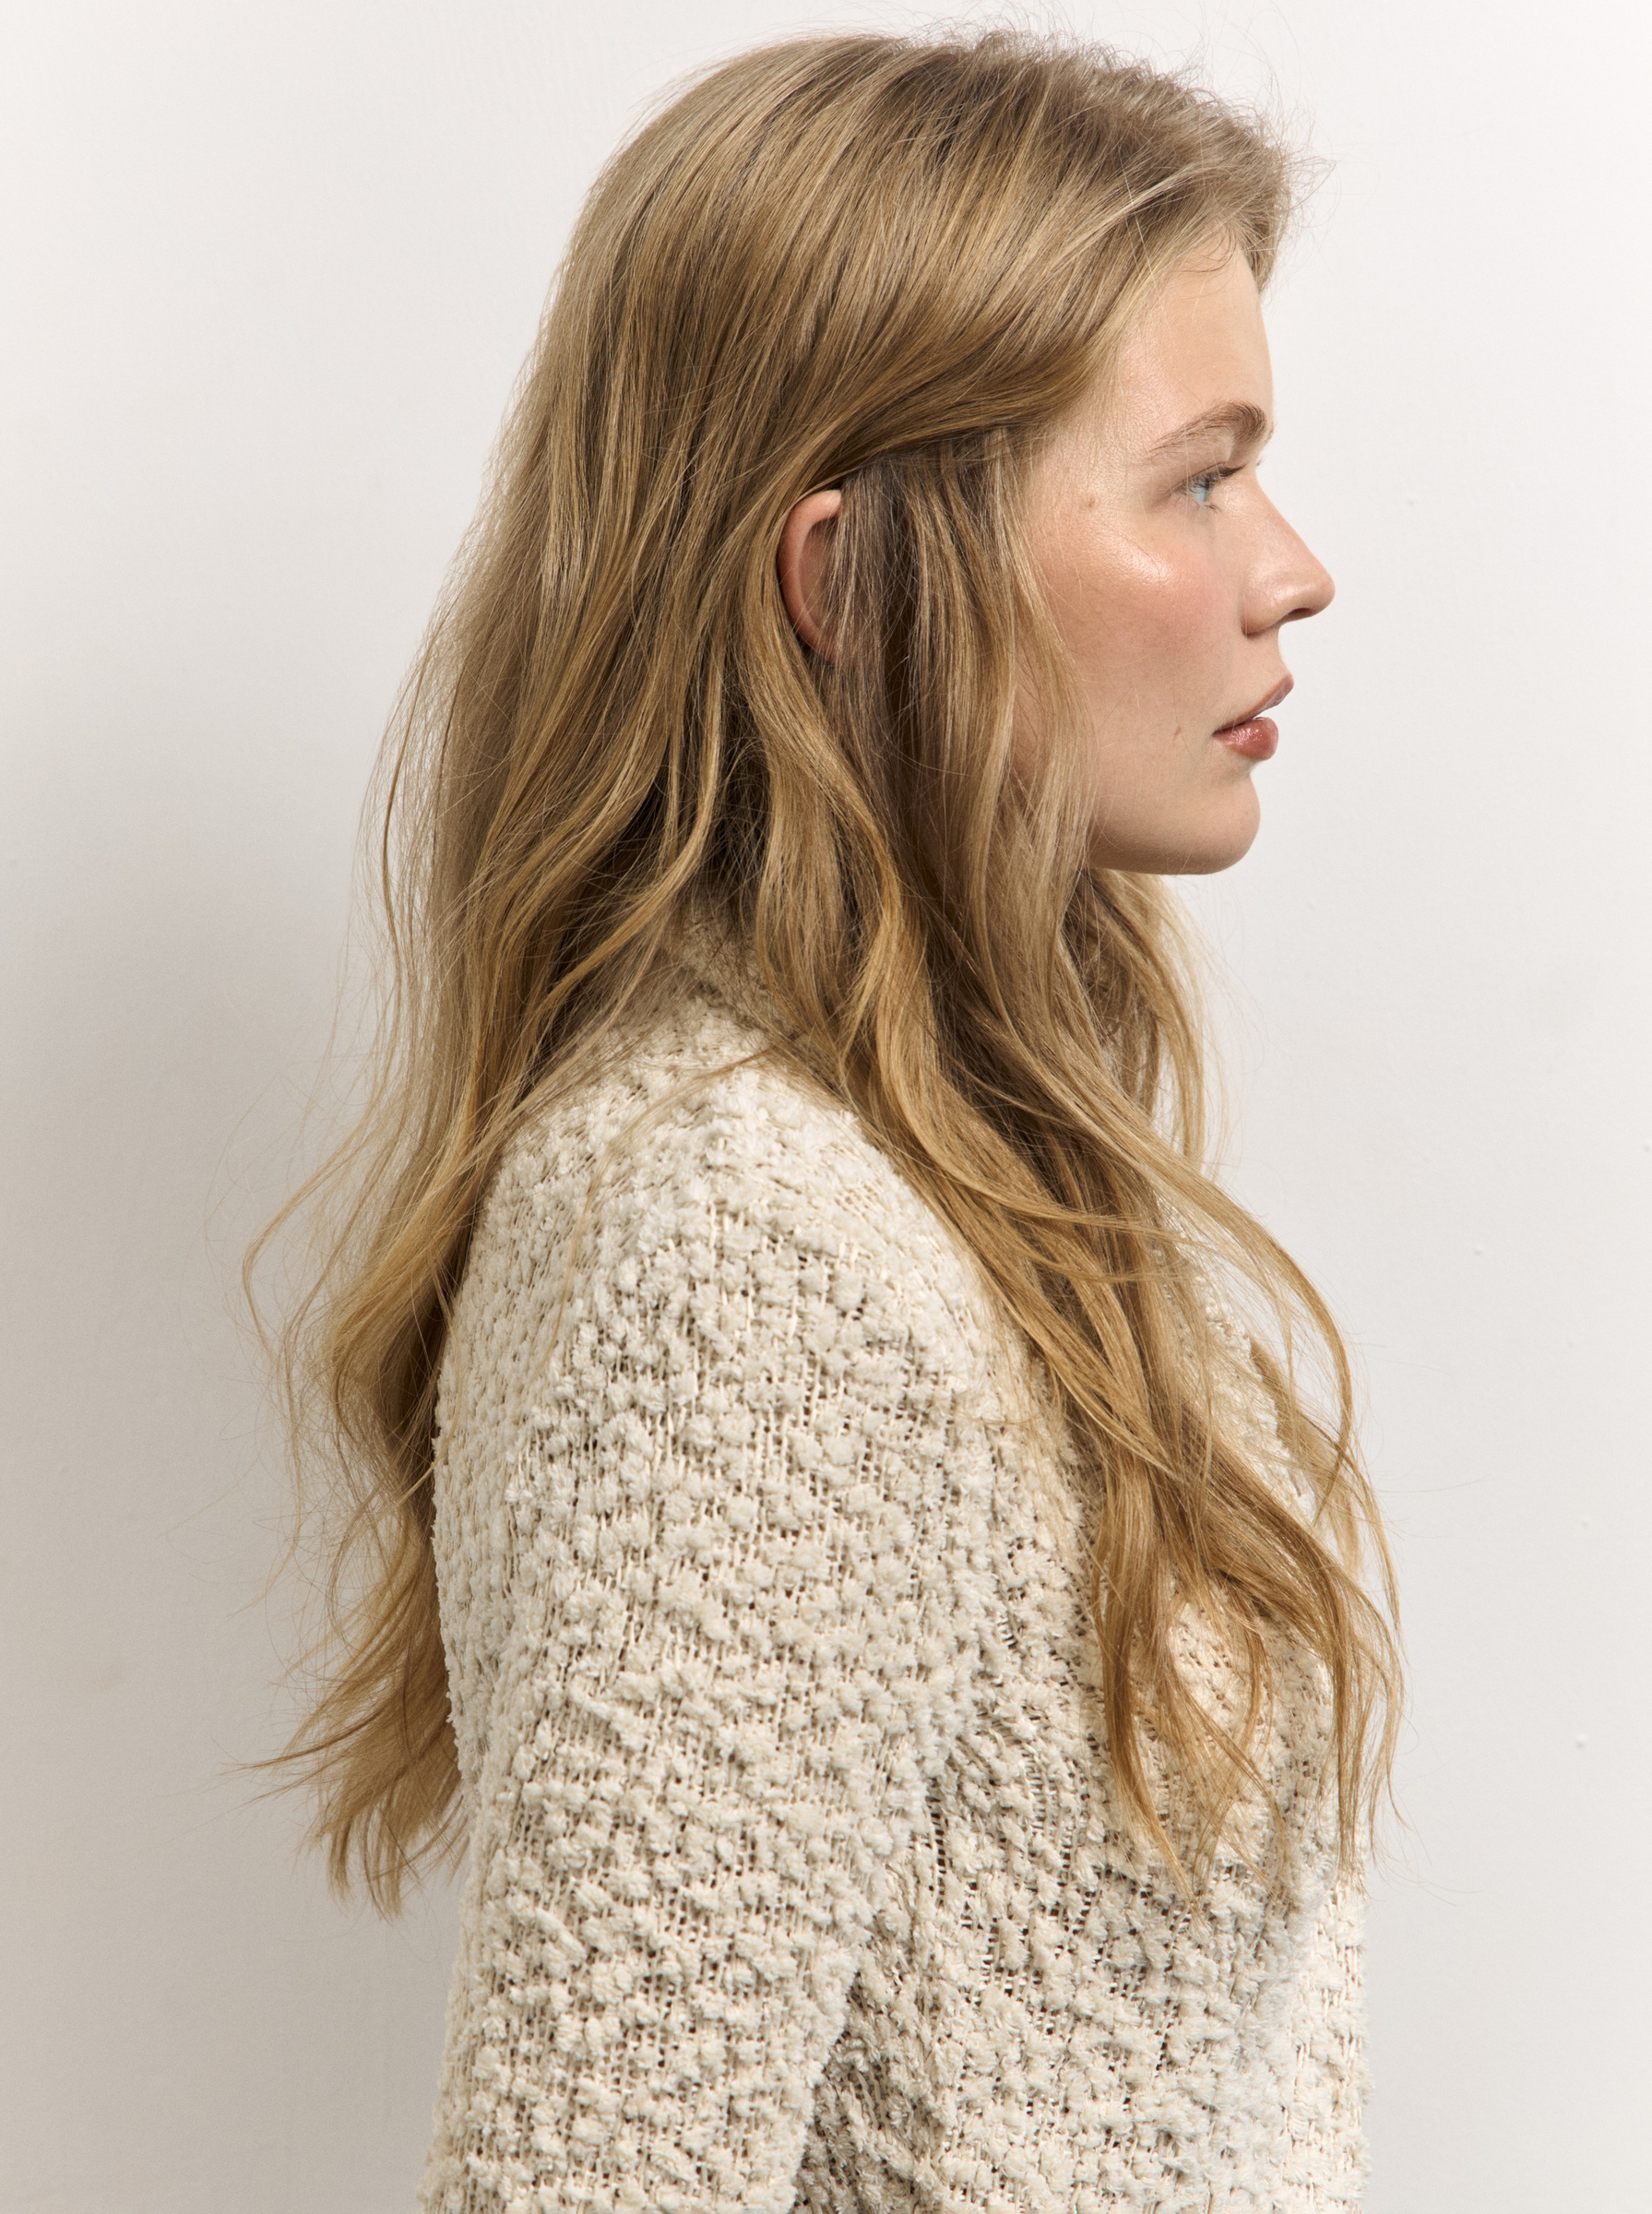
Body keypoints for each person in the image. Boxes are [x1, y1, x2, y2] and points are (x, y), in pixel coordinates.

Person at [257, 29, 1404, 2210]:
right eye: (1199, 479)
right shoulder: (748, 1242)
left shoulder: (958, 1185)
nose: (1293, 569)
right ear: (851, 578)